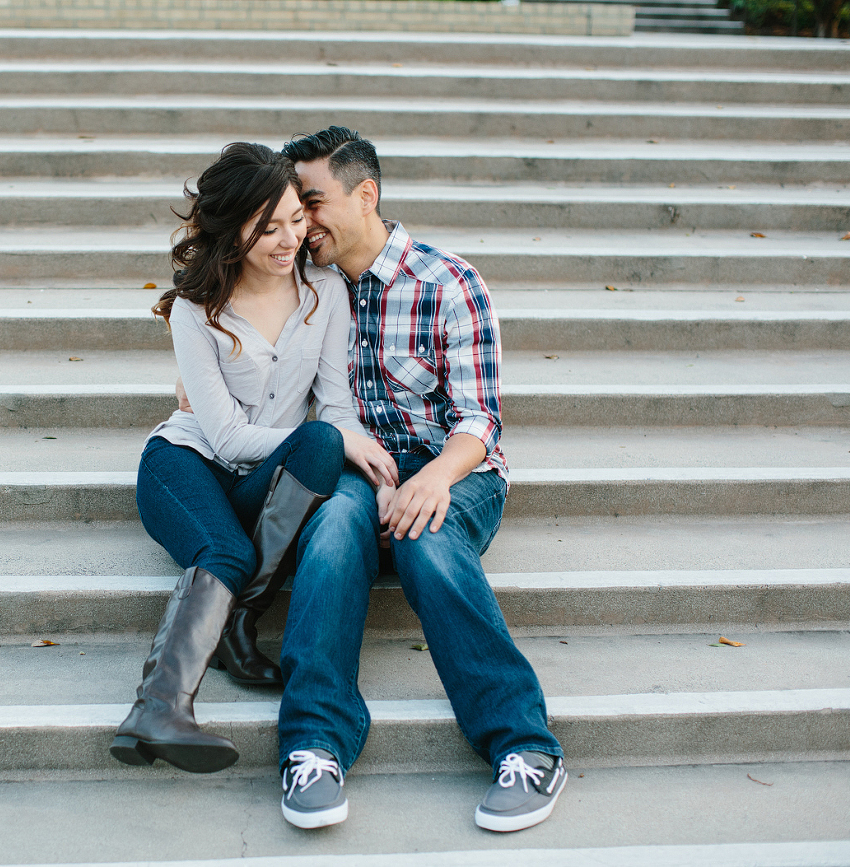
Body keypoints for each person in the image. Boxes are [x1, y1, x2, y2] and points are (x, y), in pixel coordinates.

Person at [273, 127, 567, 832]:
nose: (300, 222)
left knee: (425, 539)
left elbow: (480, 421)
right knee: (336, 524)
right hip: (354, 467)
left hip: (455, 470)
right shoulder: (304, 289)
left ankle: (525, 743)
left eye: (310, 201)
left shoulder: (447, 281)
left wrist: (431, 478)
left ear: (364, 194)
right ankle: (312, 742)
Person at [111, 142, 397, 775]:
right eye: (268, 228)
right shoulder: (196, 309)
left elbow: (337, 408)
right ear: (232, 231)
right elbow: (230, 439)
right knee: (228, 550)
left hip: (263, 483)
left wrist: (357, 450)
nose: (290, 238)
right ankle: (158, 707)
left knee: (324, 440)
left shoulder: (325, 292)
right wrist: (333, 439)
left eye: (297, 220)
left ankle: (237, 626)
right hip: (187, 463)